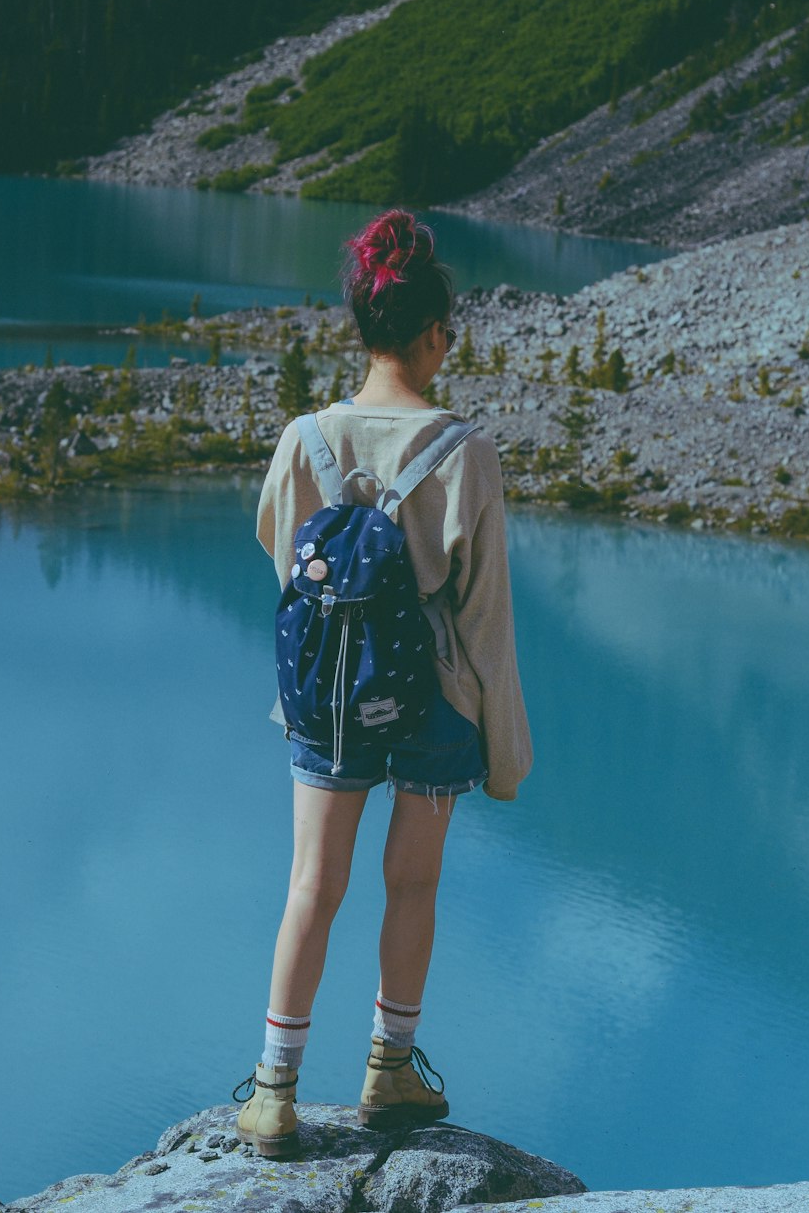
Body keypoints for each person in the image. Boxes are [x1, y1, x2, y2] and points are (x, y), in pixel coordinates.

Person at [235, 208, 532, 1157]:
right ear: (435, 333)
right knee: (413, 884)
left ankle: (275, 1093)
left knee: (312, 884)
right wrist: (505, 750)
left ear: (362, 326)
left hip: (324, 697)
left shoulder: (303, 440)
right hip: (433, 704)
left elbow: (282, 558)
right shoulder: (466, 451)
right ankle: (387, 1068)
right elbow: (485, 619)